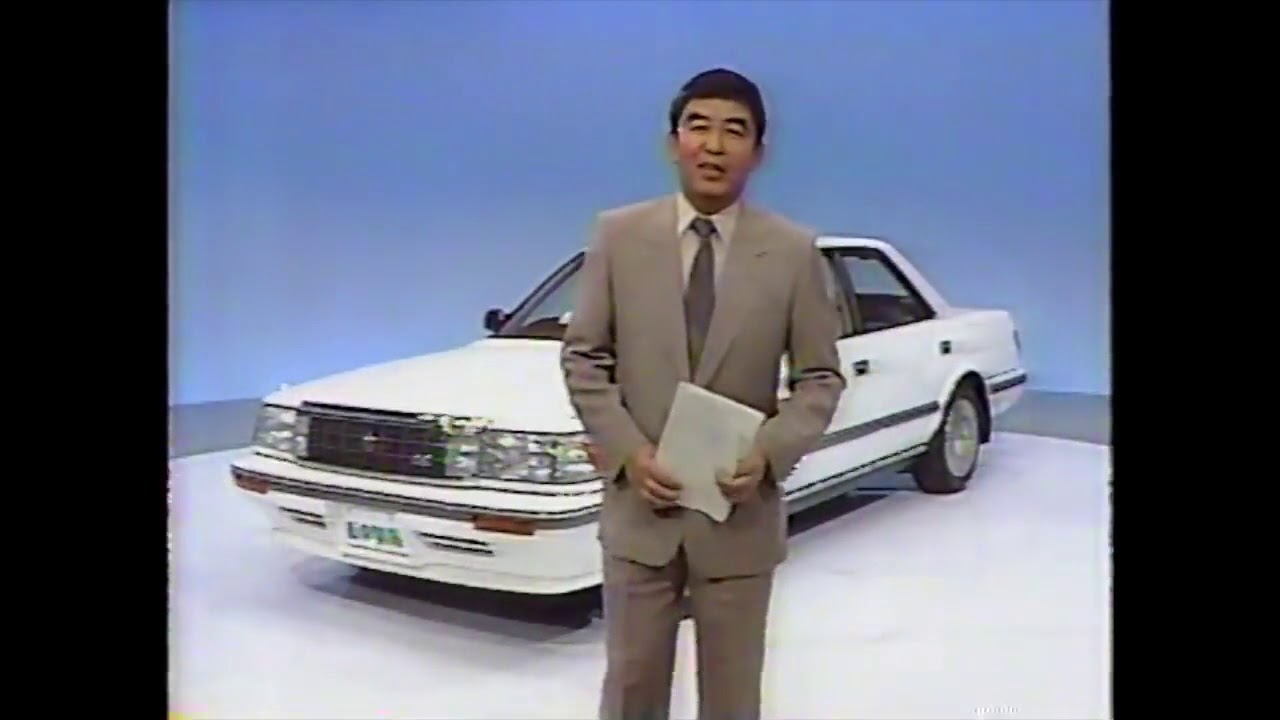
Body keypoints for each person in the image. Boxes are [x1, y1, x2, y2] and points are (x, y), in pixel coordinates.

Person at [560, 67, 846, 720]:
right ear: (673, 143)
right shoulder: (618, 236)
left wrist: (768, 454)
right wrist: (630, 453)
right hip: (642, 516)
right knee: (631, 691)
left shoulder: (793, 252)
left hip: (737, 521)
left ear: (759, 152)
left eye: (734, 131)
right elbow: (584, 357)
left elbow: (820, 379)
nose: (714, 146)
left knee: (732, 700)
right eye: (699, 127)